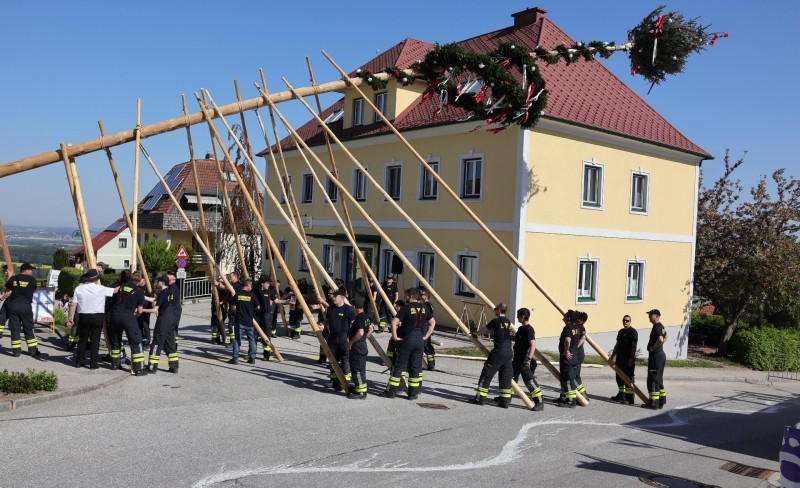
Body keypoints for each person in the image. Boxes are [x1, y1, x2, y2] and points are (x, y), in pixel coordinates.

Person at [383, 288, 433, 400]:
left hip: (407, 339)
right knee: (415, 366)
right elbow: (432, 323)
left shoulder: (406, 308)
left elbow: (394, 322)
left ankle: (391, 392)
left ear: (410, 296)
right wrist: (426, 336)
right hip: (419, 340)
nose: (405, 297)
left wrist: (395, 337)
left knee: (400, 366)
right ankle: (413, 393)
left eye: (406, 295)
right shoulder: (425, 308)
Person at [67, 269, 116, 369]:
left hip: (83, 316)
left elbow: (73, 305)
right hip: (97, 316)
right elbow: (114, 290)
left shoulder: (79, 289)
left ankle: (79, 361)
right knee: (95, 340)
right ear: (96, 279)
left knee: (82, 339)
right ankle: (93, 364)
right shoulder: (101, 288)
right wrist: (125, 285)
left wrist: (70, 318)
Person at [470, 303, 514, 408]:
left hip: (499, 351)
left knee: (486, 373)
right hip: (509, 351)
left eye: (495, 308)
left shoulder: (495, 321)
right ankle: (505, 401)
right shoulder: (507, 321)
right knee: (505, 376)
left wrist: (476, 333)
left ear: (499, 310)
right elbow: (496, 330)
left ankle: (480, 398)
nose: (494, 310)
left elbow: (484, 329)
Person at [108, 270, 147, 375]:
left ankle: (115, 364)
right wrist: (136, 316)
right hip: (128, 317)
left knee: (116, 341)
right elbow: (139, 310)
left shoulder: (121, 287)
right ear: (139, 281)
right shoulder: (139, 291)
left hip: (115, 316)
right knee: (136, 341)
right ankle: (138, 369)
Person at [1, 262, 40, 357]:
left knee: (15, 328)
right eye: (30, 269)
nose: (31, 271)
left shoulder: (14, 279)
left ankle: (16, 351)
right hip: (26, 306)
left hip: (13, 305)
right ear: (26, 270)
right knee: (28, 328)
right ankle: (32, 351)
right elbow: (34, 289)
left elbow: (6, 288)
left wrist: (10, 276)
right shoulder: (32, 280)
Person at [142, 276, 178, 374]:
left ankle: (151, 367)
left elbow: (154, 310)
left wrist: (141, 310)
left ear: (162, 283)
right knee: (170, 343)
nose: (156, 283)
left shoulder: (163, 293)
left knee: (156, 343)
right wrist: (142, 296)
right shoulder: (168, 292)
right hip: (171, 319)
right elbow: (155, 299)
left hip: (164, 319)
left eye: (158, 281)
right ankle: (174, 366)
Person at [512, 307, 544, 411]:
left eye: (518, 316)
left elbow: (533, 344)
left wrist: (529, 359)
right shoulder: (521, 329)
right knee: (512, 379)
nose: (517, 318)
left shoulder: (529, 329)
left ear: (523, 317)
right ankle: (505, 398)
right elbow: (517, 340)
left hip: (523, 360)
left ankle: (539, 402)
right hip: (517, 358)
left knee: (529, 381)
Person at [325, 288, 355, 391]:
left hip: (343, 340)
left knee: (344, 360)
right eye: (333, 295)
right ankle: (334, 380)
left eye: (336, 296)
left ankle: (345, 382)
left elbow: (354, 322)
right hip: (332, 338)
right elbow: (327, 321)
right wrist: (323, 327)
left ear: (342, 298)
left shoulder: (348, 309)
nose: (333, 297)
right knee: (333, 360)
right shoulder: (331, 308)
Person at [229, 278, 259, 365]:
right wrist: (250, 308)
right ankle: (252, 358)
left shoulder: (238, 295)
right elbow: (258, 307)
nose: (251, 287)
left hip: (239, 321)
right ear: (247, 285)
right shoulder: (252, 295)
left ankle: (235, 359)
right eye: (251, 286)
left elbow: (233, 307)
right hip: (249, 322)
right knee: (252, 340)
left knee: (237, 340)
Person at [610, 314, 638, 405]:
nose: (625, 322)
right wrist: (612, 356)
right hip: (620, 358)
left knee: (628, 378)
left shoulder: (633, 332)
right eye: (624, 320)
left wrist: (631, 358)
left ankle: (630, 398)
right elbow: (617, 345)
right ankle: (621, 395)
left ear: (630, 321)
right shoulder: (621, 332)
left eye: (627, 320)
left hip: (628, 359)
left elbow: (634, 346)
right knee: (619, 378)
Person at [643, 309, 667, 410]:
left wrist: (653, 348)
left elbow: (661, 339)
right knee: (658, 379)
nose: (649, 317)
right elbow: (666, 336)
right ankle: (661, 401)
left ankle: (654, 403)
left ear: (656, 316)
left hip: (656, 357)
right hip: (660, 356)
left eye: (650, 315)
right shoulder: (660, 326)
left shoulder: (657, 327)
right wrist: (659, 345)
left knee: (653, 379)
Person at [347, 298, 370, 399]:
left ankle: (360, 393)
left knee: (357, 370)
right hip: (362, 345)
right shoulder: (365, 316)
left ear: (354, 307)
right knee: (361, 370)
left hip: (357, 347)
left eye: (351, 305)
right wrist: (366, 336)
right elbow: (371, 328)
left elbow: (360, 332)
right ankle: (359, 388)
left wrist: (351, 342)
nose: (351, 307)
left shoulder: (359, 318)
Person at [557, 310, 579, 408]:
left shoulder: (567, 328)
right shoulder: (576, 328)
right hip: (574, 356)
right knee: (565, 378)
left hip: (568, 357)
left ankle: (571, 401)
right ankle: (564, 397)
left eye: (565, 315)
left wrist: (566, 350)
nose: (563, 316)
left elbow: (567, 340)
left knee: (567, 379)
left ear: (569, 318)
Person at [419, 287, 437, 371]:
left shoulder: (426, 305)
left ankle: (418, 363)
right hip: (427, 327)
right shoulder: (429, 305)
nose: (420, 295)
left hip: (424, 327)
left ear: (426, 296)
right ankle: (431, 364)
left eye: (422, 294)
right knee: (428, 346)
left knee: (421, 345)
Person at [255, 275, 273, 361]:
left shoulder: (269, 292)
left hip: (266, 316)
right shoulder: (255, 291)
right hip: (256, 316)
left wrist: (286, 301)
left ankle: (266, 354)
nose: (269, 285)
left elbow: (276, 300)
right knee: (254, 335)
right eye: (267, 283)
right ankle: (252, 353)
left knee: (267, 335)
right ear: (262, 283)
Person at [573, 311, 588, 399]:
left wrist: (575, 348)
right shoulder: (578, 327)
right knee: (577, 376)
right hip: (578, 354)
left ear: (581, 320)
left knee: (575, 376)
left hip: (578, 355)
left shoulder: (580, 328)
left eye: (578, 318)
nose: (576, 319)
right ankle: (581, 395)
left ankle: (583, 395)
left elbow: (583, 338)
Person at [385, 299, 404, 366]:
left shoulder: (402, 312)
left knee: (394, 345)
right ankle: (389, 359)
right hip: (400, 332)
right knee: (392, 343)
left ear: (399, 306)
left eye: (396, 306)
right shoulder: (401, 312)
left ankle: (389, 359)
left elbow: (396, 324)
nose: (395, 308)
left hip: (403, 334)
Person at [210, 278, 229, 344]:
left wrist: (219, 284)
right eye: (220, 282)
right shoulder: (216, 289)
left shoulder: (224, 288)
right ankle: (214, 338)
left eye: (222, 282)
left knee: (221, 323)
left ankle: (218, 338)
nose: (221, 283)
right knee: (215, 323)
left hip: (223, 307)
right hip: (216, 307)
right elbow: (214, 293)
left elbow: (227, 289)